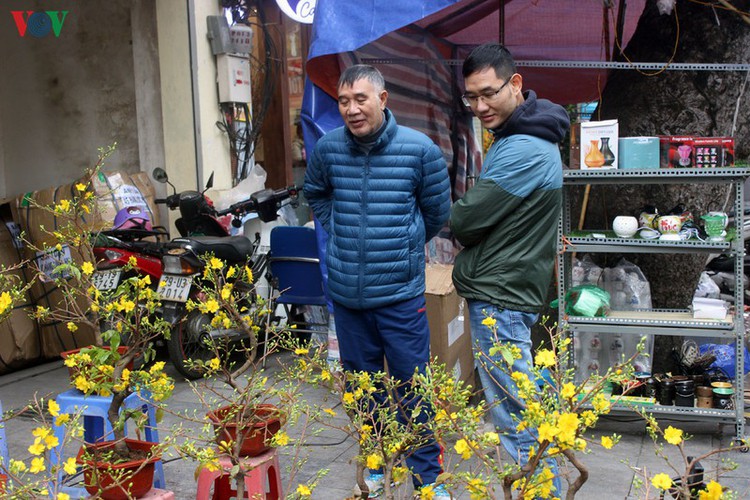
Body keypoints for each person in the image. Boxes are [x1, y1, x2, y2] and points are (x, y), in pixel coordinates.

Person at [304, 64, 451, 498]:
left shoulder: (419, 150)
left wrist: (405, 242)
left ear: (383, 100)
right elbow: (316, 193)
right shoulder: (329, 149)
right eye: (344, 101)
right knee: (363, 388)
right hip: (349, 296)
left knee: (413, 387)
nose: (351, 109)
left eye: (360, 99)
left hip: (401, 297)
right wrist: (340, 230)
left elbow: (437, 211)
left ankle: (429, 479)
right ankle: (377, 464)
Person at [450, 43, 570, 495]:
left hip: (500, 298)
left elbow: (465, 220)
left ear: (515, 84)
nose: (479, 106)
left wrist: (468, 216)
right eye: (471, 97)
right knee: (527, 409)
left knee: (515, 418)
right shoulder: (522, 137)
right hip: (509, 291)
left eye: (488, 94)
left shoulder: (522, 148)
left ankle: (544, 492)